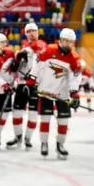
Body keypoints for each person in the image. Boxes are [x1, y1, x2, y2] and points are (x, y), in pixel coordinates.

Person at [33, 28, 81, 159]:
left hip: (62, 94)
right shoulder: (48, 50)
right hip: (45, 91)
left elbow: (74, 77)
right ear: (60, 40)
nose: (68, 44)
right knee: (45, 119)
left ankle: (60, 145)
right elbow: (37, 67)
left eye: (71, 42)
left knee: (63, 121)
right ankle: (44, 143)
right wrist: (32, 81)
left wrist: (75, 93)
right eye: (66, 41)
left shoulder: (74, 58)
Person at [6, 22, 47, 150]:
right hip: (22, 83)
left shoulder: (41, 45)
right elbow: (17, 67)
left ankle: (28, 139)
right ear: (25, 34)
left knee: (33, 113)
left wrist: (24, 52)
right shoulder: (24, 47)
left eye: (33, 30)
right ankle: (18, 137)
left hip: (36, 85)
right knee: (17, 112)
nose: (31, 33)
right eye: (28, 31)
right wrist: (17, 60)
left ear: (38, 32)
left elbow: (38, 52)